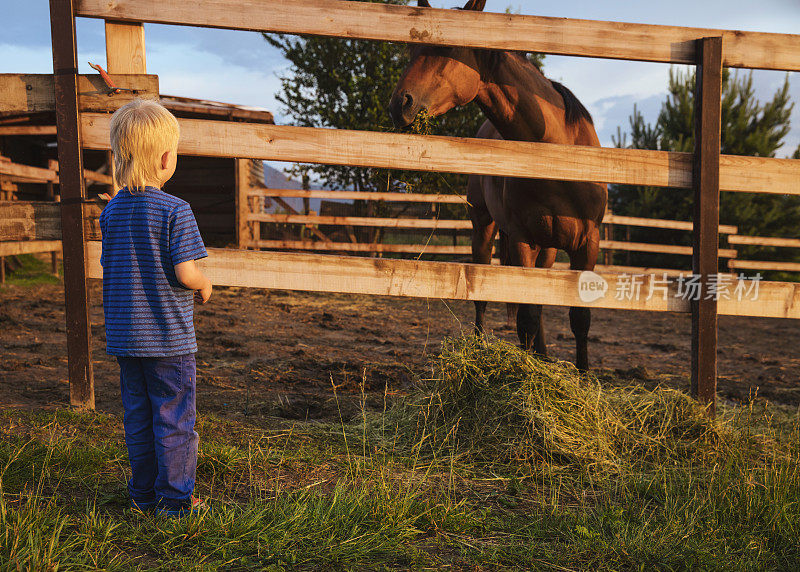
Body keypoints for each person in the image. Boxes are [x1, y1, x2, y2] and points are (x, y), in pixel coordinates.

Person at [99, 99, 212, 517]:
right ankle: (176, 502)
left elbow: (112, 266)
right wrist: (205, 282)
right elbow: (185, 272)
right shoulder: (175, 211)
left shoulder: (111, 212)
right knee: (175, 419)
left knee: (139, 418)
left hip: (126, 340)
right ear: (167, 159)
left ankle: (143, 495)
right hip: (168, 341)